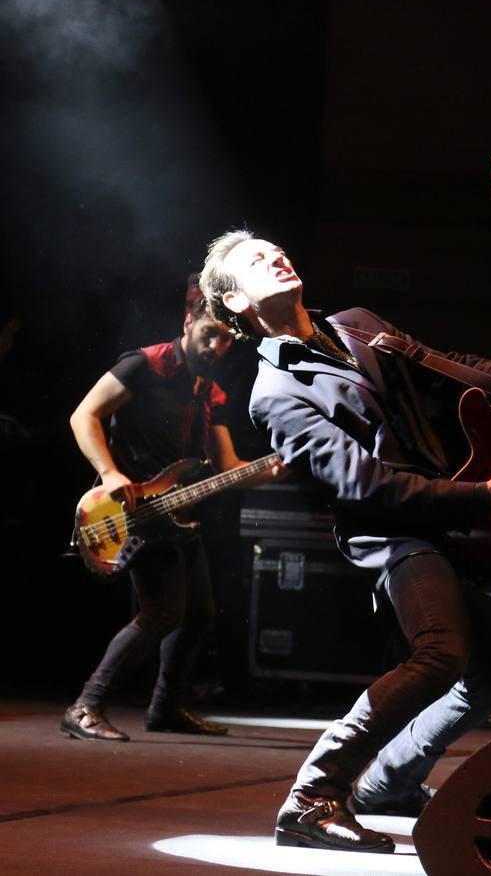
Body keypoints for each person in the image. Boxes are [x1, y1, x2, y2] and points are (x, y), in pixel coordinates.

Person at [199, 229, 491, 853]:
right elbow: (363, 486)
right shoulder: (274, 395)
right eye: (255, 261)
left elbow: (443, 368)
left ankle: (389, 781)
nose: (277, 256)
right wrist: (484, 497)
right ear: (236, 303)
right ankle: (312, 796)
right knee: (442, 652)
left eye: (276, 248)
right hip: (392, 531)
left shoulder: (356, 324)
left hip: (453, 509)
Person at [61, 287, 278, 742]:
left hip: (177, 515)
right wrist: (109, 473)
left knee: (199, 612)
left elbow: (227, 468)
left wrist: (273, 469)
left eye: (225, 341)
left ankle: (166, 708)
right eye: (209, 334)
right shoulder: (145, 364)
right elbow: (84, 416)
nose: (215, 347)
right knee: (161, 611)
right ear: (187, 322)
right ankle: (85, 705)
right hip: (130, 509)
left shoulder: (209, 391)